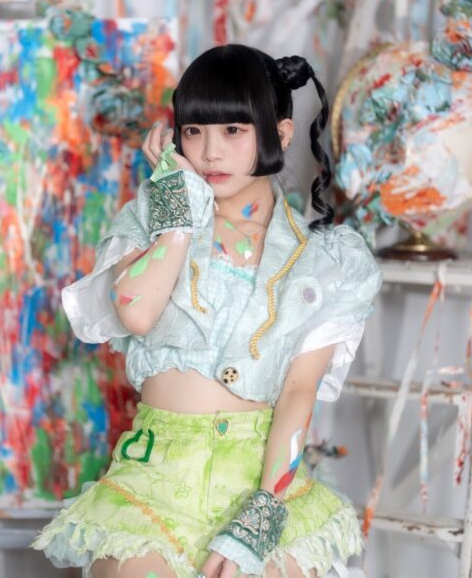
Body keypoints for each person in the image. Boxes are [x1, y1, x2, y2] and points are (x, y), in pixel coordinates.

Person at [31, 44, 382, 578]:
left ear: (281, 133)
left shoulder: (326, 262)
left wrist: (259, 519)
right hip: (153, 479)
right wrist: (178, 213)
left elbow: (298, 392)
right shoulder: (150, 219)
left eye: (233, 131)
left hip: (260, 477)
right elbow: (137, 314)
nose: (211, 152)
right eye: (194, 132)